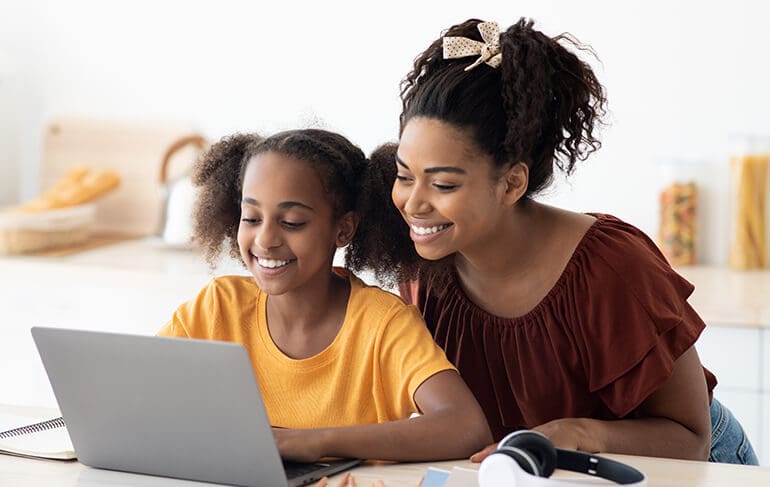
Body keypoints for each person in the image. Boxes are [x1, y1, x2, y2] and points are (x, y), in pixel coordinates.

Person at [353, 18, 758, 465]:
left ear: (511, 184)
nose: (413, 203)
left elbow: (691, 439)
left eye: (443, 185)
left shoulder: (611, 268)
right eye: (404, 176)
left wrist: (579, 432)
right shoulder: (424, 266)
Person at [157, 129, 492, 463]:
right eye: (252, 218)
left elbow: (466, 427)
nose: (265, 239)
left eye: (292, 222)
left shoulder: (383, 324)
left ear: (343, 229)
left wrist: (313, 443)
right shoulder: (217, 307)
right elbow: (136, 396)